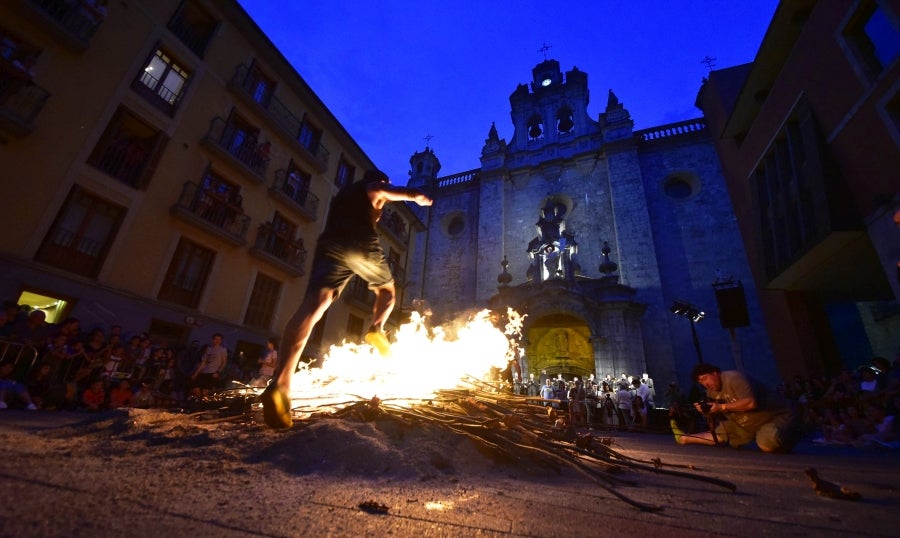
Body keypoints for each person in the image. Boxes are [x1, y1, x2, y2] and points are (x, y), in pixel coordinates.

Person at [262, 169, 432, 428]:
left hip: (329, 247)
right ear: (378, 181)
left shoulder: (343, 194)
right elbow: (385, 191)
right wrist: (415, 195)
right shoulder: (373, 188)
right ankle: (377, 329)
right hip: (359, 243)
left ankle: (281, 383)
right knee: (386, 290)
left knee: (313, 307)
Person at [671, 363, 799, 453]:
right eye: (701, 382)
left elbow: (750, 403)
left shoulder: (734, 378)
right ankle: (684, 438)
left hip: (773, 416)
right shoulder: (711, 393)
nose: (705, 384)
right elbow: (716, 415)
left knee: (766, 445)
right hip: (747, 423)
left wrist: (721, 407)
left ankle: (795, 432)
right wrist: (706, 410)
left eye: (705, 378)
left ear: (715, 373)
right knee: (721, 433)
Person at [190, 333, 228, 397]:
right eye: (216, 339)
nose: (217, 341)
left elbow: (224, 362)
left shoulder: (223, 350)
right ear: (213, 340)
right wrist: (196, 373)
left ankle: (202, 404)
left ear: (221, 341)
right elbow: (204, 362)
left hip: (213, 373)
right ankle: (199, 401)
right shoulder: (209, 349)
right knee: (195, 388)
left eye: (219, 339)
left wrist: (218, 372)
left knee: (206, 391)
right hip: (204, 371)